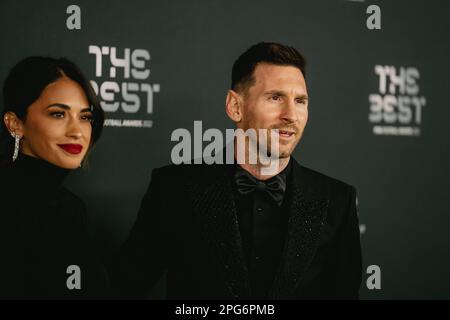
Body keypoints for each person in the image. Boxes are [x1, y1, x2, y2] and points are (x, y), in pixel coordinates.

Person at [110, 42, 362, 299]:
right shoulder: (174, 189)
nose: (291, 115)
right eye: (275, 97)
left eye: (300, 101)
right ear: (235, 106)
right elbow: (124, 285)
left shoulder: (337, 200)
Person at [0, 56, 107, 299]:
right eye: (58, 114)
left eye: (85, 117)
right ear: (15, 123)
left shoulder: (69, 207)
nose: (77, 131)